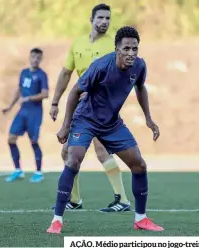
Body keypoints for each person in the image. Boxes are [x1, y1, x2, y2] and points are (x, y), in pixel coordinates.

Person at [46, 26, 164, 233]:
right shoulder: (100, 66)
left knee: (139, 165)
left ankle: (141, 219)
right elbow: (75, 92)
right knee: (73, 159)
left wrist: (148, 119)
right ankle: (57, 220)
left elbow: (140, 88)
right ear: (117, 48)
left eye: (135, 48)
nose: (131, 53)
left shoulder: (139, 66)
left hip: (111, 123)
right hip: (85, 119)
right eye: (126, 48)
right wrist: (66, 125)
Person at [49, 3, 130, 212]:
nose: (104, 22)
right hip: (81, 105)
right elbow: (66, 73)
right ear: (91, 19)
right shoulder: (77, 43)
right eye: (101, 18)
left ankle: (122, 200)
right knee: (67, 151)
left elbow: (120, 76)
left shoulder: (113, 45)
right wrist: (55, 101)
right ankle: (74, 200)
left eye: (108, 19)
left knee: (101, 148)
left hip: (103, 105)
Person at [2, 48, 49, 183]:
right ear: (29, 57)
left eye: (38, 58)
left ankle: (38, 172)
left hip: (35, 113)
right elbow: (19, 90)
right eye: (33, 56)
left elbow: (45, 94)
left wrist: (29, 98)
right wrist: (10, 106)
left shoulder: (42, 75)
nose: (35, 59)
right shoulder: (23, 72)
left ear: (41, 59)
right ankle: (18, 170)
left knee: (33, 141)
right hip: (22, 112)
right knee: (11, 139)